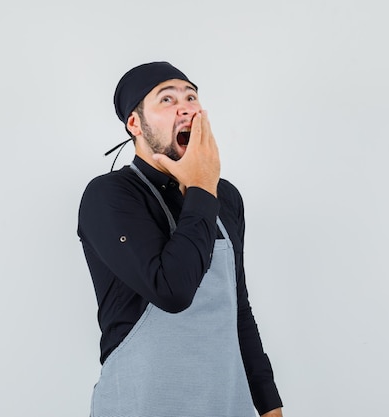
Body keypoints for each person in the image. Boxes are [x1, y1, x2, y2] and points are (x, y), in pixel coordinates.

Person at [77, 61, 283, 417]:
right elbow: (172, 291)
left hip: (225, 406)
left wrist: (269, 405)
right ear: (135, 123)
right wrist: (202, 185)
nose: (186, 106)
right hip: (139, 407)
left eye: (191, 96)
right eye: (167, 99)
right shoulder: (110, 195)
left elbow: (238, 310)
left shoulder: (226, 198)